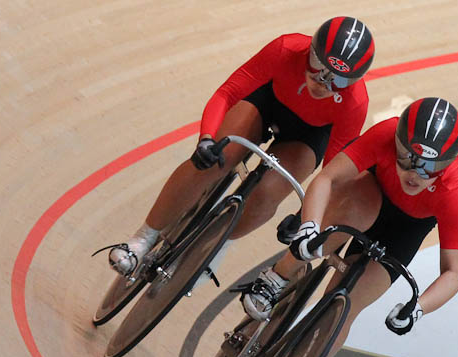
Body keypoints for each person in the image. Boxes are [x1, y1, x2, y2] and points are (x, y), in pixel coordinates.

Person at [107, 17, 375, 282]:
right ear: (310, 52)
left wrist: (304, 217)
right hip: (268, 102)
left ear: (353, 81)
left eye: (338, 80)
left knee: (267, 194)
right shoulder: (286, 49)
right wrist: (207, 139)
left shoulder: (355, 103)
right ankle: (142, 238)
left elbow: (333, 176)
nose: (322, 83)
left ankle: (217, 246)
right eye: (317, 67)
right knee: (216, 161)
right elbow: (227, 93)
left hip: (309, 135)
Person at [241, 97, 458, 356]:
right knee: (349, 213)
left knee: (347, 307)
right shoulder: (385, 134)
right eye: (407, 158)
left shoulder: (456, 189)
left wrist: (418, 308)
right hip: (370, 190)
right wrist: (310, 226)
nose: (415, 174)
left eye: (430, 167)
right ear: (397, 142)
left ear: (446, 164)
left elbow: (454, 272)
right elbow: (327, 178)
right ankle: (278, 276)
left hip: (407, 228)